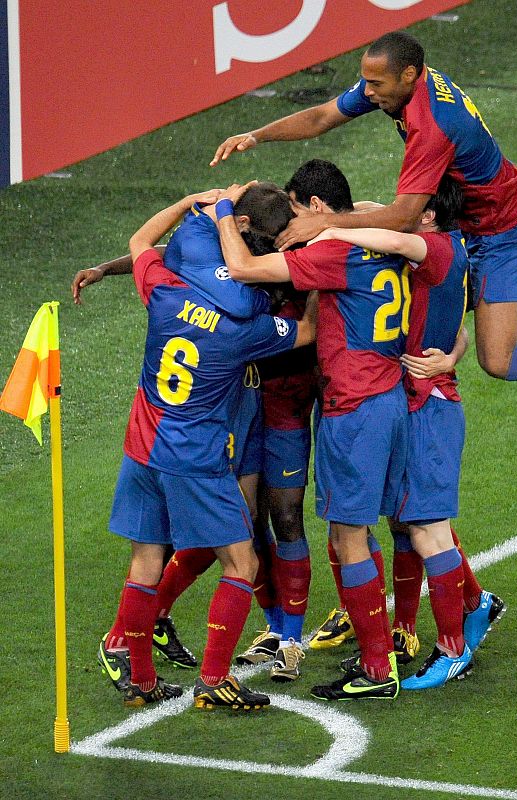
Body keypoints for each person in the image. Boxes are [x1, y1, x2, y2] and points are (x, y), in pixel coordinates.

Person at [211, 31, 517, 420]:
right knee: (453, 286)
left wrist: (325, 224)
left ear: (409, 75)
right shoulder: (399, 84)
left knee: (498, 358)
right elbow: (322, 116)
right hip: (466, 218)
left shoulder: (432, 125)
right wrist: (257, 134)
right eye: (366, 81)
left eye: (376, 83)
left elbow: (405, 216)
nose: (367, 91)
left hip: (507, 229)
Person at [94, 188, 317, 710]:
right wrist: (317, 280)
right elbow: (306, 330)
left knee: (146, 561)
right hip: (194, 458)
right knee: (241, 564)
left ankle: (141, 680)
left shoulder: (165, 291)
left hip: (141, 447)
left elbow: (141, 240)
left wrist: (189, 201)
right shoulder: (244, 328)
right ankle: (215, 679)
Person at [212, 165, 409, 701]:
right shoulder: (386, 239)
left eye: (299, 212)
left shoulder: (329, 252)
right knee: (382, 525)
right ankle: (382, 644)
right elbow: (379, 214)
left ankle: (376, 666)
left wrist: (225, 211)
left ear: (315, 207)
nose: (293, 223)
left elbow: (244, 267)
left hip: (351, 405)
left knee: (347, 536)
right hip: (388, 397)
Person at [318, 175, 505, 688]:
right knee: (411, 522)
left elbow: (396, 237)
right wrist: (451, 354)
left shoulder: (435, 249)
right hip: (420, 396)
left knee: (426, 529)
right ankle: (472, 605)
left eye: (413, 204)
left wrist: (330, 227)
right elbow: (461, 329)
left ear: (428, 216)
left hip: (429, 407)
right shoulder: (452, 252)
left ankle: (452, 650)